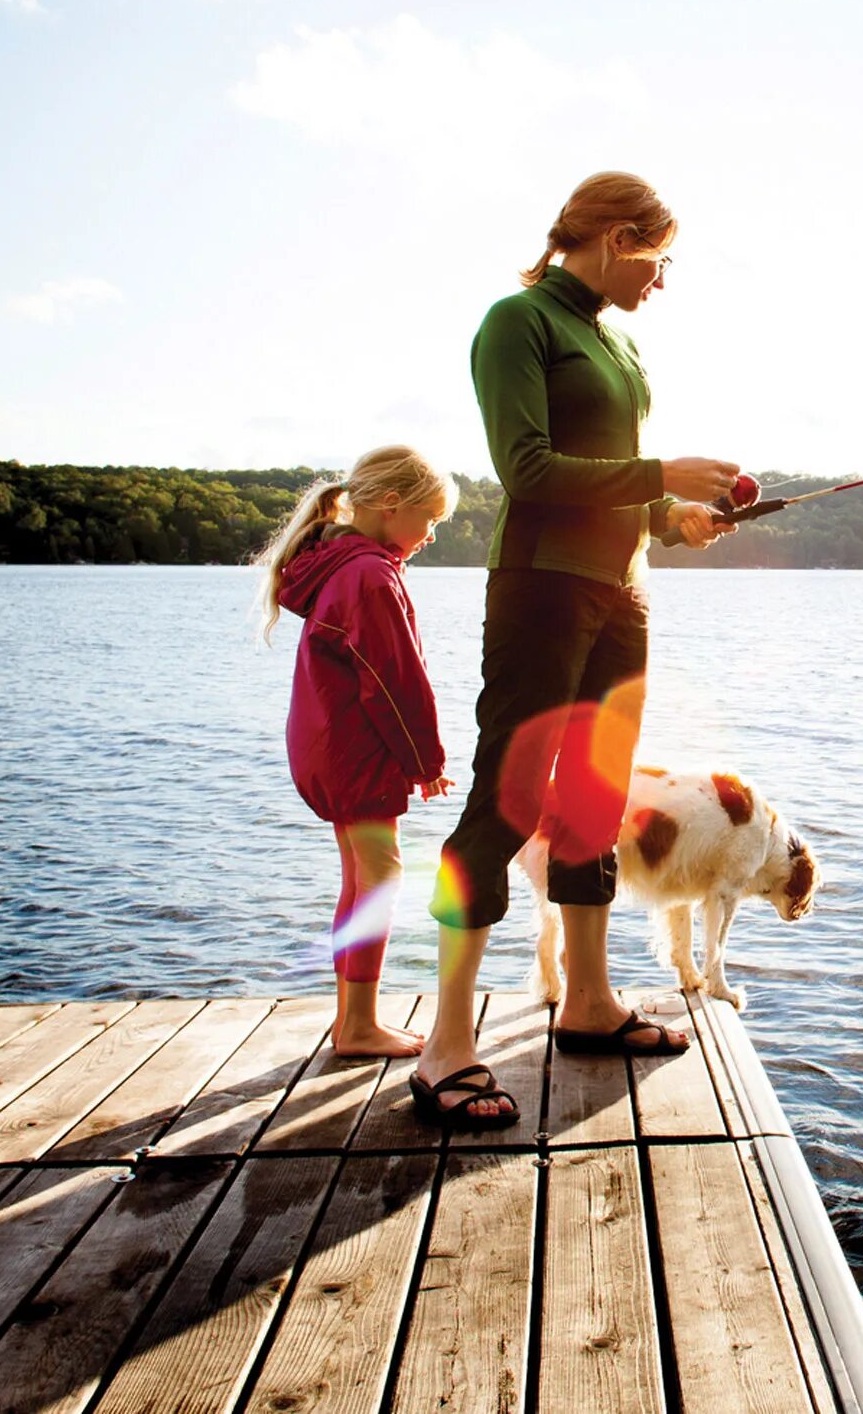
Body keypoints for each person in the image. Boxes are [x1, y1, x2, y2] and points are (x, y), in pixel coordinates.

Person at [410, 170, 737, 1130]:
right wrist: (661, 469)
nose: (663, 281)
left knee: (597, 798)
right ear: (615, 235)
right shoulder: (519, 322)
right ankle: (445, 1047)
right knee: (509, 797)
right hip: (542, 588)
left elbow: (612, 485)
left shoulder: (618, 337)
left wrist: (668, 516)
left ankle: (589, 1004)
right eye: (659, 257)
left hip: (621, 593)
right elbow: (530, 472)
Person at [254, 444, 457, 1059]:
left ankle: (352, 1020)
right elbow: (395, 678)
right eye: (429, 520)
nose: (429, 536)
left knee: (362, 877)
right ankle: (359, 1027)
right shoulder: (370, 575)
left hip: (326, 742)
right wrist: (427, 762)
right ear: (392, 504)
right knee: (382, 876)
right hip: (355, 748)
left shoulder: (341, 564)